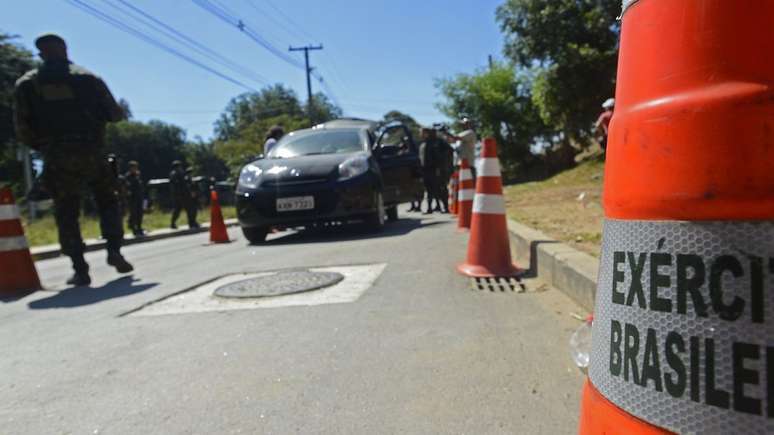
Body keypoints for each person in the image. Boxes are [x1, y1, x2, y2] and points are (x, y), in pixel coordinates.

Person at [13, 33, 133, 286]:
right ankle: (114, 250)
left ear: (41, 54)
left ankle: (80, 269)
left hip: (58, 156)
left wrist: (46, 147)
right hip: (92, 152)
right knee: (108, 202)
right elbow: (114, 114)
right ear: (65, 50)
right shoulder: (88, 78)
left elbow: (22, 128)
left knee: (66, 211)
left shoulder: (28, 84)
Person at [169, 161, 198, 229]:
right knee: (183, 209)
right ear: (176, 167)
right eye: (179, 166)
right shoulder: (175, 174)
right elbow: (178, 185)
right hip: (180, 195)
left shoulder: (178, 174)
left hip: (182, 194)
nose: (180, 168)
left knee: (186, 209)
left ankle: (191, 223)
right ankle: (190, 223)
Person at [125, 160, 145, 237]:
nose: (135, 169)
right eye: (133, 167)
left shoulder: (138, 175)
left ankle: (139, 228)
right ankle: (134, 229)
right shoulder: (127, 176)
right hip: (132, 198)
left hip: (139, 197)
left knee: (140, 213)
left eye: (136, 167)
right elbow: (127, 187)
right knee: (133, 214)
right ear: (130, 168)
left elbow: (140, 186)